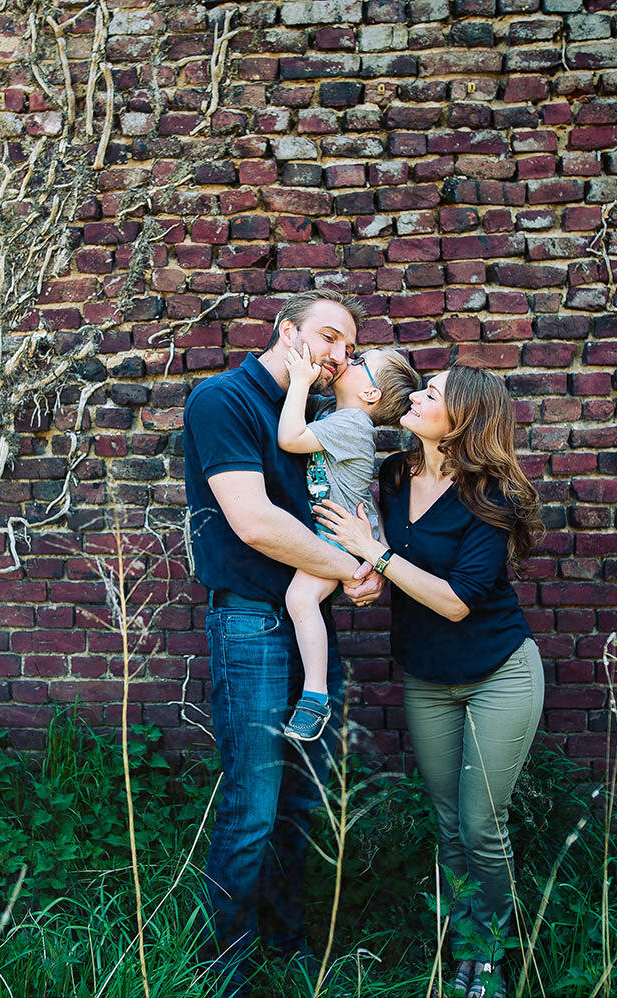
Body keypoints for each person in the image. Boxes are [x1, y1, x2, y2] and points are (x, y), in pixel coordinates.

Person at [315, 363, 545, 998]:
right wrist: (361, 574)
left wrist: (379, 557)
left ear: (463, 418)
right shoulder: (393, 474)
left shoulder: (493, 498)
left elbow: (455, 601)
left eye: (431, 393)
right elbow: (368, 542)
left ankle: (486, 956)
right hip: (428, 677)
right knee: (448, 823)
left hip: (500, 674)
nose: (414, 396)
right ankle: (458, 949)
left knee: (481, 825)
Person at [182, 288, 386, 996]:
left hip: (309, 626)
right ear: (286, 331)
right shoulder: (223, 401)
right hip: (251, 625)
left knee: (302, 802)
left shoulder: (323, 414)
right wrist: (354, 571)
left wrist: (367, 558)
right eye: (329, 339)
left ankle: (286, 942)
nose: (338, 357)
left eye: (349, 350)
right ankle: (222, 970)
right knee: (253, 804)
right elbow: (255, 522)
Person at [277, 344, 419, 741]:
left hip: (342, 537)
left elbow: (290, 437)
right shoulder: (333, 412)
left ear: (371, 395)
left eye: (358, 363)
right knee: (305, 603)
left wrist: (302, 381)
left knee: (300, 599)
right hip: (337, 530)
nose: (348, 361)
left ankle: (315, 696)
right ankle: (313, 690)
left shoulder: (354, 422)